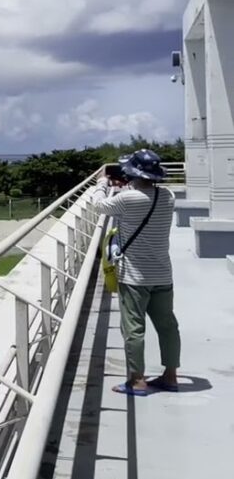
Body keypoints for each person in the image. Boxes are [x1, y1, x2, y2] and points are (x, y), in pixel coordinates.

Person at [89, 149, 180, 395]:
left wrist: (101, 183)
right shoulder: (167, 196)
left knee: (134, 329)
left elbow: (99, 206)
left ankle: (137, 381)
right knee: (168, 325)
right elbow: (144, 198)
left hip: (135, 278)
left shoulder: (127, 199)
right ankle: (171, 377)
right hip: (162, 274)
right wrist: (128, 186)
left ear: (133, 172)